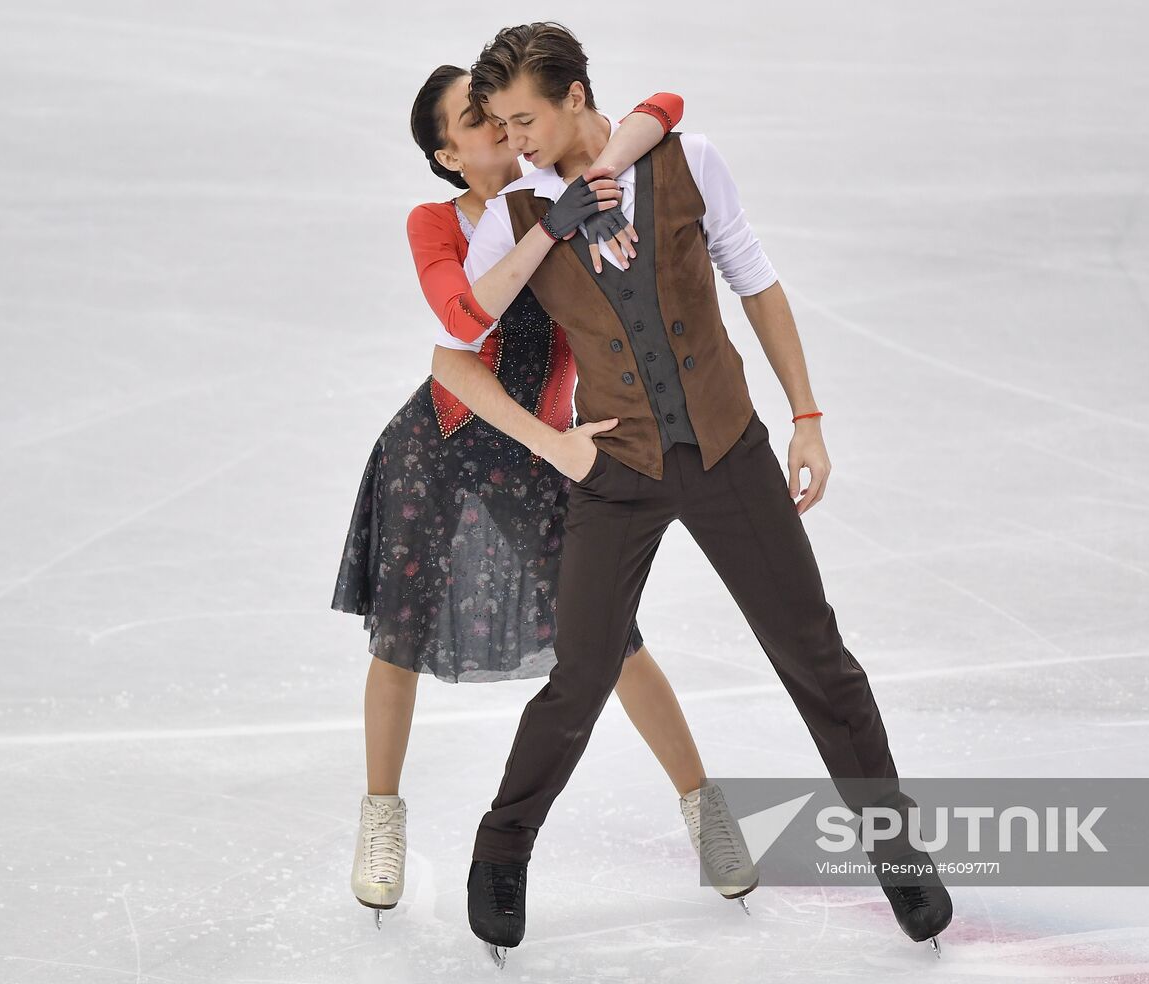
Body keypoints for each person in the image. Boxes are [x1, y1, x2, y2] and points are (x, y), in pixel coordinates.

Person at [439, 21, 955, 963]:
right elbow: (456, 345)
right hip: (617, 472)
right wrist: (554, 445)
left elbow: (755, 282)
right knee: (583, 675)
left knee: (816, 657)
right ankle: (502, 848)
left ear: (577, 99)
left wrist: (805, 416)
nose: (514, 142)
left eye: (527, 119)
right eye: (502, 125)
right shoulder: (513, 218)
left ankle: (895, 845)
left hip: (727, 451)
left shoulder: (685, 161)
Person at [330, 66, 756, 932]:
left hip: (549, 456)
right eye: (475, 121)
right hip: (442, 445)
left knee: (612, 641)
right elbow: (455, 340)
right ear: (449, 156)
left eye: (499, 111)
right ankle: (382, 821)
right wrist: (551, 440)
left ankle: (705, 807)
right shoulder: (439, 223)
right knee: (400, 640)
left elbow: (663, 106)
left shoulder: (557, 188)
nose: (498, 125)